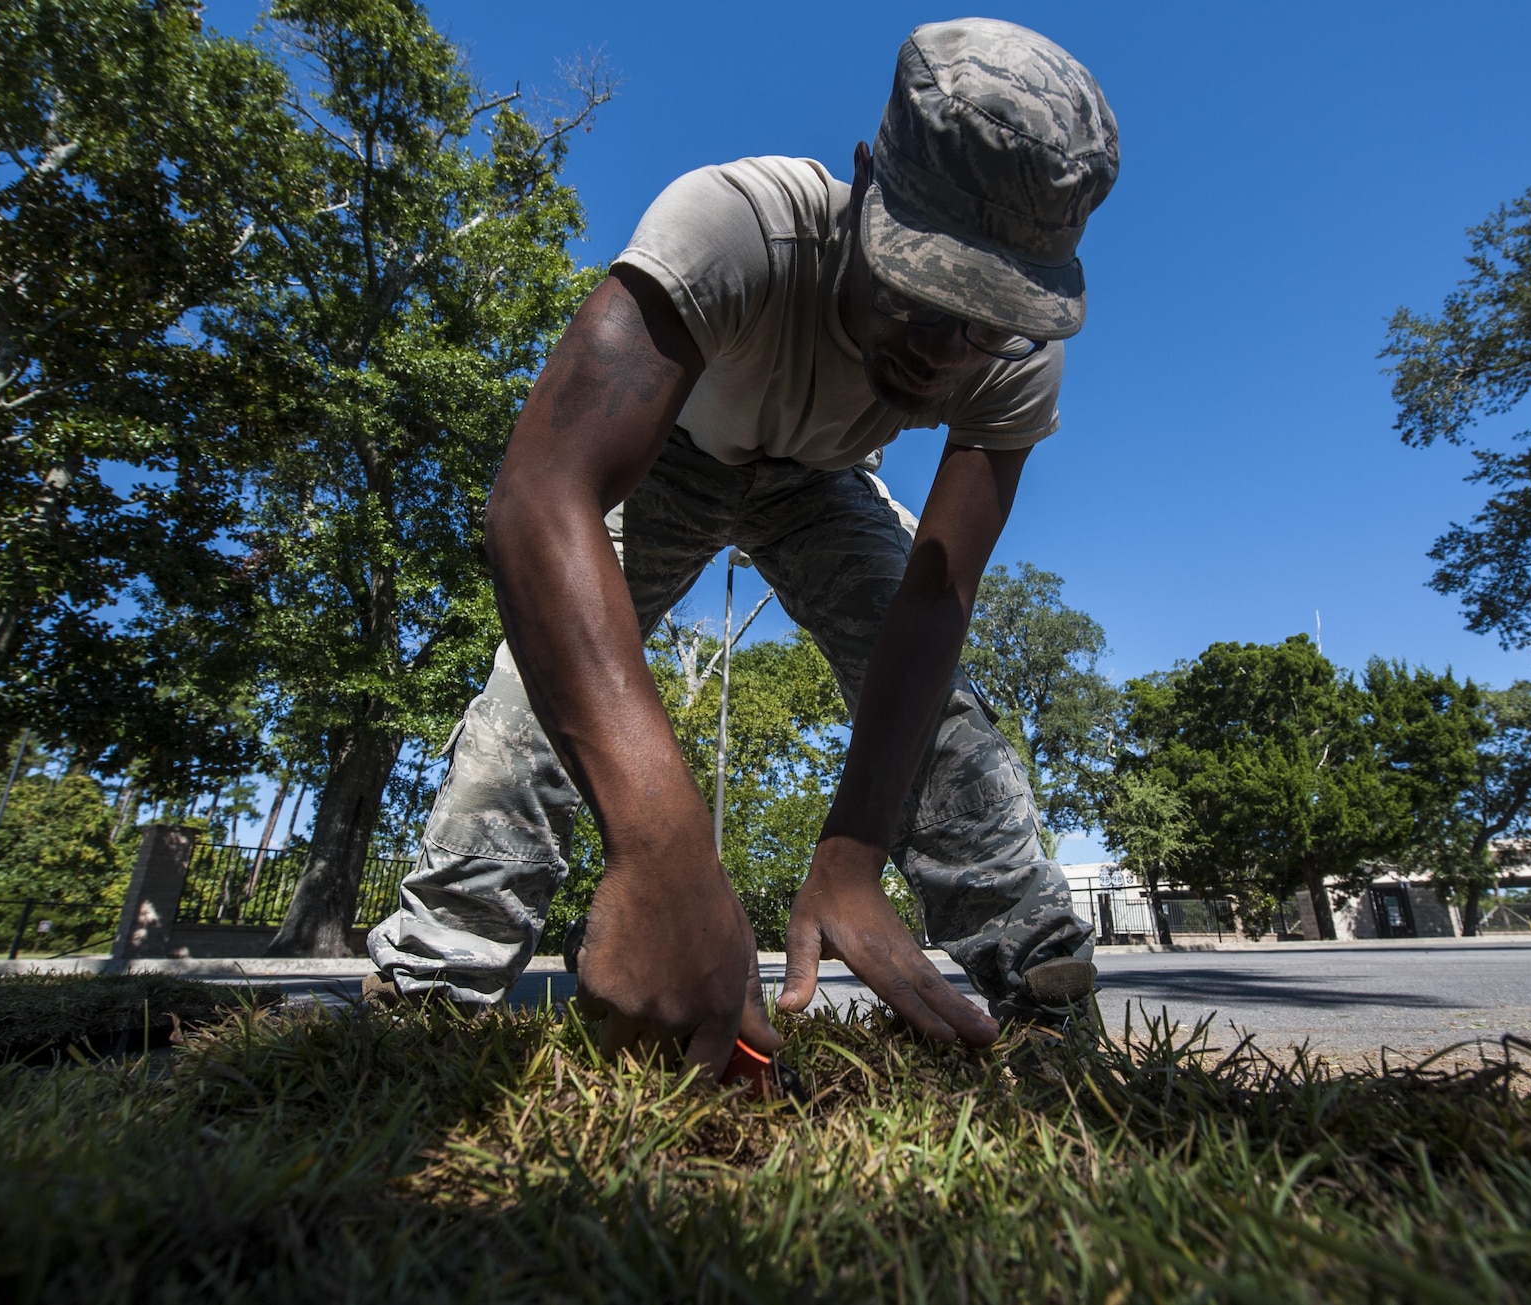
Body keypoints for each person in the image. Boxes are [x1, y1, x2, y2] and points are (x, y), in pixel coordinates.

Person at [366, 17, 1120, 1071]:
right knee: (540, 685)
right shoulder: (738, 225)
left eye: (986, 317)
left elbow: (932, 602)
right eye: (920, 288)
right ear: (865, 186)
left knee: (943, 723)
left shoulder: (1013, 351)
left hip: (822, 486)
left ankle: (1041, 993)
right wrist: (663, 853)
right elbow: (542, 495)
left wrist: (851, 858)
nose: (946, 350)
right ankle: (429, 995)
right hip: (669, 457)